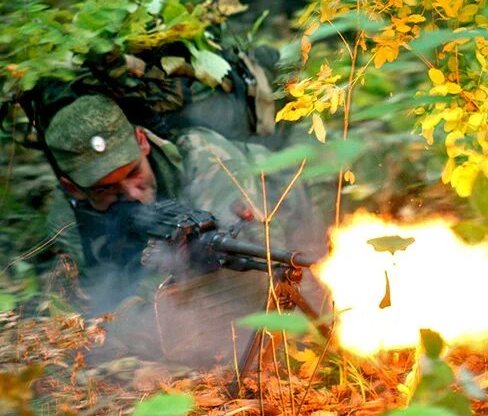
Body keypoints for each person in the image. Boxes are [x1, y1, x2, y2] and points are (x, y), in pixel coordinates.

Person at [44, 94, 327, 367]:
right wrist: (154, 278)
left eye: (133, 172)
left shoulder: (210, 160)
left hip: (292, 219)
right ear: (72, 188)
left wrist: (190, 266)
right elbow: (87, 316)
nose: (132, 194)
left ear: (142, 141)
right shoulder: (66, 220)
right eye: (106, 189)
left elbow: (263, 279)